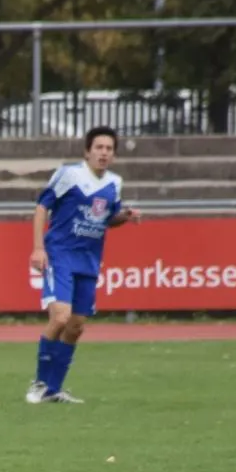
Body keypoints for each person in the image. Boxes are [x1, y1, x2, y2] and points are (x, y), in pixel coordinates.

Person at [26, 125, 140, 404]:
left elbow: (107, 219)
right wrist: (38, 248)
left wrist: (125, 216)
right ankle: (39, 383)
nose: (104, 153)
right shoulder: (69, 174)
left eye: (109, 149)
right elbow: (42, 207)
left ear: (114, 155)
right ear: (87, 152)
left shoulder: (114, 183)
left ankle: (54, 389)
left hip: (88, 260)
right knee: (60, 317)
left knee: (76, 326)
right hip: (60, 253)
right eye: (99, 147)